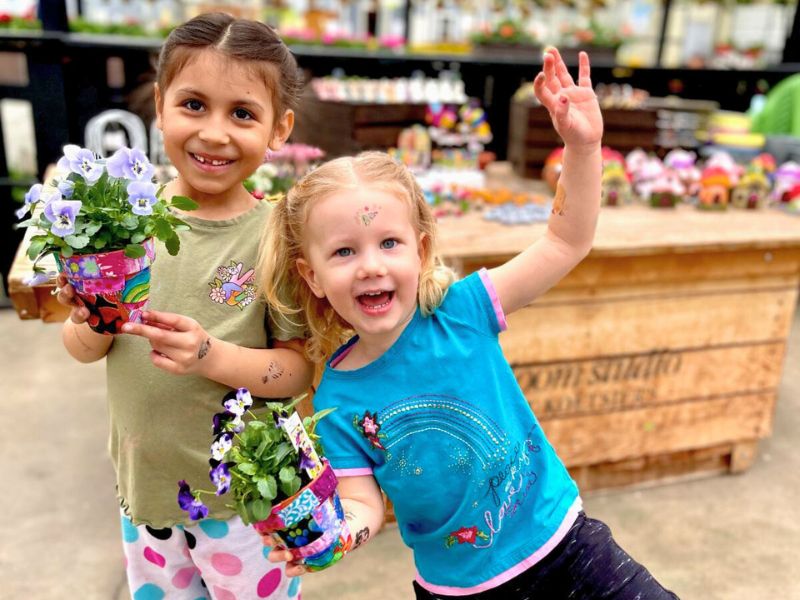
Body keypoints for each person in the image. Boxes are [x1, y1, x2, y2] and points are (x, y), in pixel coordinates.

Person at [259, 48, 679, 598]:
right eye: (343, 252)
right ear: (310, 276)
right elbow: (364, 504)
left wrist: (582, 147)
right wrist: (334, 534)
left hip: (568, 550)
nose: (371, 265)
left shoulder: (463, 310)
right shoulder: (337, 398)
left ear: (421, 249)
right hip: (462, 591)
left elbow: (565, 240)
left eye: (389, 242)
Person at [56, 13, 313, 599]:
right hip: (146, 497)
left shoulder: (278, 233)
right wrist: (93, 317)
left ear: (280, 128)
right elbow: (79, 348)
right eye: (193, 104)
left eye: (243, 113)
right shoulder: (116, 223)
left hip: (247, 504)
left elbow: (296, 370)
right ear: (160, 104)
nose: (215, 133)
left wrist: (209, 354)